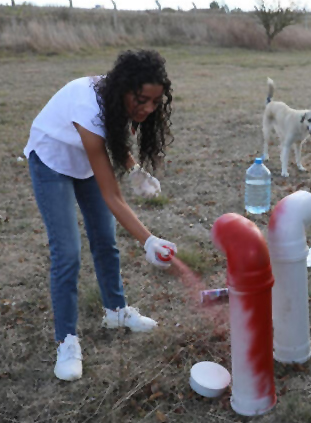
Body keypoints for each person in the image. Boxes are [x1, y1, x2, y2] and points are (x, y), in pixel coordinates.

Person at [24, 49, 177, 382]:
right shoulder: (88, 106)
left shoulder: (115, 99)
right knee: (67, 253)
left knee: (105, 240)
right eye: (142, 100)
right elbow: (112, 195)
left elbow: (112, 136)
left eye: (154, 102)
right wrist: (148, 240)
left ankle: (116, 311)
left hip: (84, 159)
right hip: (51, 161)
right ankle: (66, 339)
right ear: (125, 88)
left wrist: (134, 168)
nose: (148, 109)